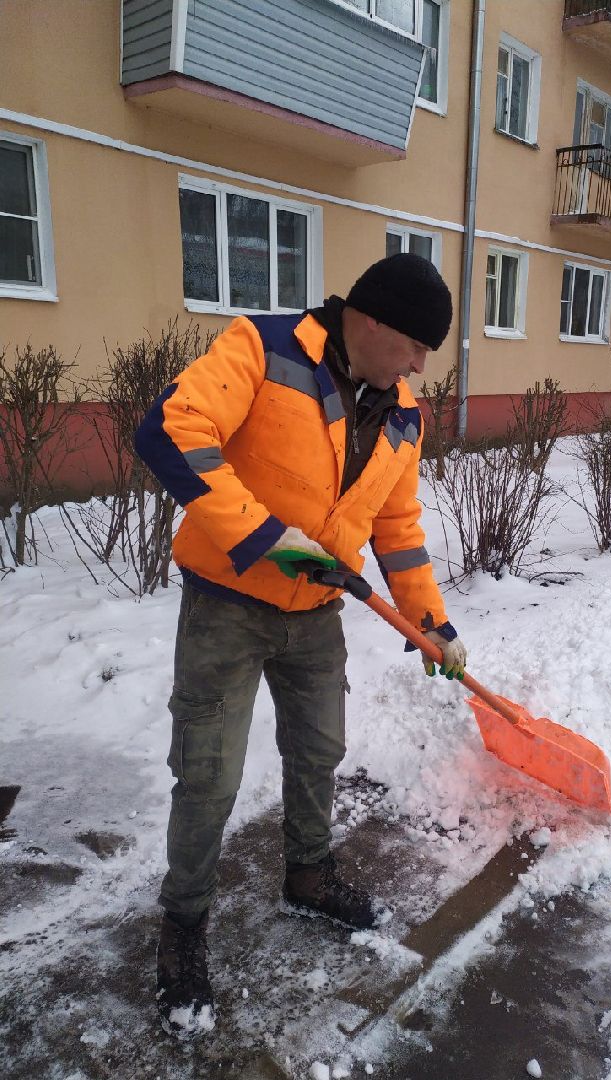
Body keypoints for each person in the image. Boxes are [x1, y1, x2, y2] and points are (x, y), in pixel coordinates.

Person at [133, 253, 467, 1035]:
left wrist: (432, 623)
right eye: (416, 346)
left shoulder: (404, 413)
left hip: (317, 613)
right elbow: (170, 431)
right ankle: (183, 928)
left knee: (320, 749)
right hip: (227, 606)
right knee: (209, 775)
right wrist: (261, 535)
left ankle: (309, 876)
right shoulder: (264, 347)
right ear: (374, 322)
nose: (420, 366)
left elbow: (397, 527)